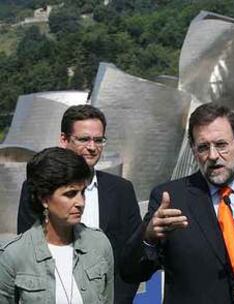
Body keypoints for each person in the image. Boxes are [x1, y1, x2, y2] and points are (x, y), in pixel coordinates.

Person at [121, 103, 234, 304]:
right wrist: (148, 238)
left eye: (221, 144)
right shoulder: (171, 200)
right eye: (203, 147)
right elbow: (131, 273)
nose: (213, 156)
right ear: (193, 151)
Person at [17, 105, 141, 304]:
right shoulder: (36, 187)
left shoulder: (122, 190)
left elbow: (131, 256)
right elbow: (28, 252)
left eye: (98, 140)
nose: (92, 147)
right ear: (64, 140)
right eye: (84, 139)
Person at [0, 147, 114, 303]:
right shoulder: (14, 256)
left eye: (83, 192)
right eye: (70, 194)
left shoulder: (99, 244)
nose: (80, 202)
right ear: (44, 199)